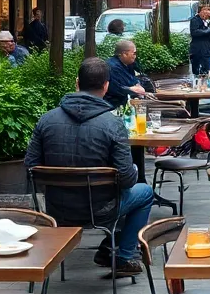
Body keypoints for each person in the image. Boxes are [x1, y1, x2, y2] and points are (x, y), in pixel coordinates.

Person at [24, 57, 152, 277]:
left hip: (56, 209)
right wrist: (133, 170)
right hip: (101, 210)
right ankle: (123, 256)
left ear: (76, 83)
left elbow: (30, 167)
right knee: (145, 192)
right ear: (106, 86)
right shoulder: (113, 124)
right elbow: (127, 179)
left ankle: (111, 245)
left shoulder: (46, 120)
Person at [105, 38, 148, 108]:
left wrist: (137, 86)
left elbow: (134, 81)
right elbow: (116, 89)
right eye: (134, 53)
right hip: (113, 104)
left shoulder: (128, 63)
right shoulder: (113, 67)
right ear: (124, 54)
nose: (135, 56)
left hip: (125, 100)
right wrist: (133, 89)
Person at [189, 4, 210, 76]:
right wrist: (208, 30)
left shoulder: (208, 22)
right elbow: (194, 32)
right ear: (200, 11)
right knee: (196, 71)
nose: (207, 12)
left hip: (208, 50)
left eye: (208, 10)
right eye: (204, 10)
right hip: (197, 50)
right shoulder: (195, 20)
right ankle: (197, 83)